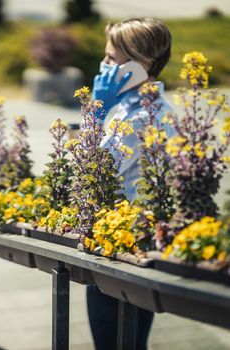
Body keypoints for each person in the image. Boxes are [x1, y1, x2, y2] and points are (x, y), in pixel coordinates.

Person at [88, 17, 175, 350]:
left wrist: (95, 113)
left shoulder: (139, 118)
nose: (104, 65)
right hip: (132, 242)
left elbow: (93, 171)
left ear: (139, 67)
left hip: (120, 247)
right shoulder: (143, 108)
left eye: (112, 58)